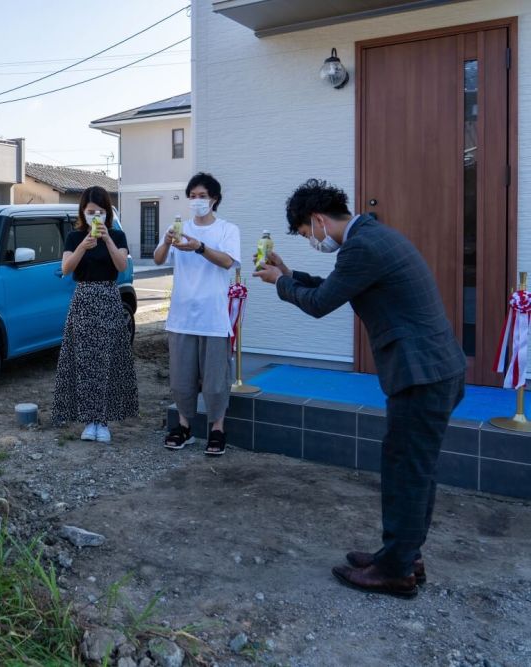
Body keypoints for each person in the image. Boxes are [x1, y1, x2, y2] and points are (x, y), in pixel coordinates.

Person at [252, 179, 466, 599]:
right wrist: (290, 275)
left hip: (421, 373)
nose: (308, 240)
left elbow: (319, 303)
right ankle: (403, 553)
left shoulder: (362, 247)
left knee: (407, 468)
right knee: (411, 466)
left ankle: (396, 569)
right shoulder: (370, 238)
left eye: (303, 233)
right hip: (433, 369)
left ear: (317, 220)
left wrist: (280, 283)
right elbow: (335, 287)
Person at [154, 173, 240, 455]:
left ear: (214, 199)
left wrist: (199, 247)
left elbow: (228, 261)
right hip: (181, 317)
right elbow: (158, 259)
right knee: (181, 378)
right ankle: (184, 426)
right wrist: (167, 242)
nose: (197, 201)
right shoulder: (178, 227)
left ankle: (217, 429)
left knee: (216, 379)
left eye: (202, 196)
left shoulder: (227, 229)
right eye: (192, 196)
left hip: (214, 318)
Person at [51, 186, 138, 442]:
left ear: (107, 212)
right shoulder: (74, 237)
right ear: (83, 212)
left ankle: (104, 421)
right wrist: (83, 247)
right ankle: (89, 421)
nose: (95, 216)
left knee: (108, 360)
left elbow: (122, 266)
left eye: (100, 211)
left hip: (109, 298)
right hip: (84, 299)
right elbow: (66, 269)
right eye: (91, 212)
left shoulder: (118, 236)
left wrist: (107, 239)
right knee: (84, 360)